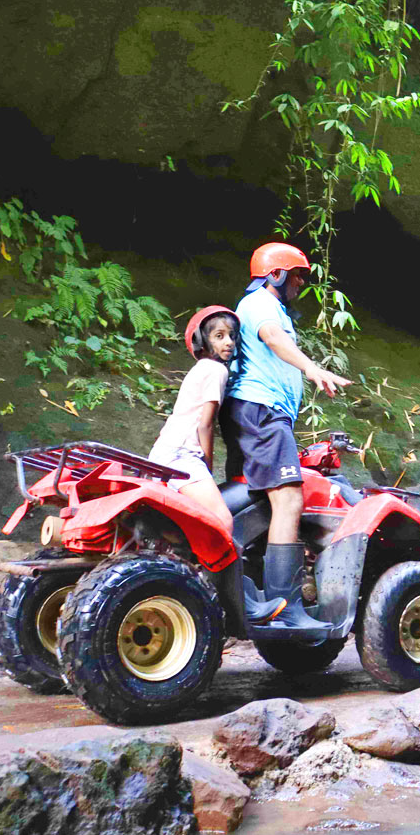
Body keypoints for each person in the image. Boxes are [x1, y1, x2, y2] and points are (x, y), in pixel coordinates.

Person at [219, 243, 352, 630]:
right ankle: (287, 607)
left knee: (258, 500)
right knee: (289, 498)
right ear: (274, 274)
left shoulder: (267, 305)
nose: (300, 283)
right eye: (296, 274)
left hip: (257, 413)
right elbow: (273, 337)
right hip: (262, 412)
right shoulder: (259, 303)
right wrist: (313, 369)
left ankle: (256, 597)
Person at [150, 305, 285, 623]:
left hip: (163, 453)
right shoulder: (215, 370)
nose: (228, 343)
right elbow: (206, 424)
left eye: (232, 337)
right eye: (219, 336)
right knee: (223, 522)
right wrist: (207, 463)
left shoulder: (199, 371)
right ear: (203, 341)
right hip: (184, 456)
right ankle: (242, 605)